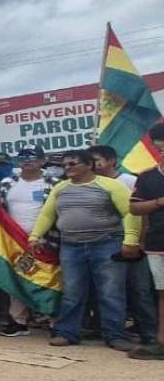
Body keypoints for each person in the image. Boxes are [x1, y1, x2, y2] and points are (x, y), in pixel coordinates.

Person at [29, 149, 139, 350]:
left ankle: (116, 335)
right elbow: (47, 215)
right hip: (71, 246)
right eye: (65, 165)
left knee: (110, 292)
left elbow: (130, 213)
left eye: (73, 164)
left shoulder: (111, 185)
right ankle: (67, 333)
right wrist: (35, 236)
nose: (67, 168)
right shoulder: (60, 188)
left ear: (89, 165)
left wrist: (131, 239)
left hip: (107, 244)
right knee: (72, 292)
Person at [91, 144, 158, 346]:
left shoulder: (129, 181)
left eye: (96, 159)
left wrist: (139, 240)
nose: (93, 164)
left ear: (111, 160)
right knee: (110, 289)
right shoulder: (92, 183)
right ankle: (109, 330)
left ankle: (149, 333)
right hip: (104, 242)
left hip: (134, 241)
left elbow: (140, 211)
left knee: (140, 289)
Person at [0, 147, 57, 336]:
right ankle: (18, 321)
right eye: (22, 157)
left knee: (49, 280)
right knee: (17, 279)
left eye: (32, 158)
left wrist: (40, 237)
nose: (27, 161)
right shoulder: (7, 183)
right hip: (14, 242)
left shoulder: (54, 184)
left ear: (42, 160)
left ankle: (54, 320)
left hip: (45, 241)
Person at [128, 124, 164, 359]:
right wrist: (160, 202)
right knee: (162, 293)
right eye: (159, 141)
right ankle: (162, 343)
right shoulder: (148, 176)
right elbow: (134, 207)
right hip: (158, 243)